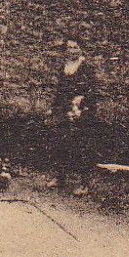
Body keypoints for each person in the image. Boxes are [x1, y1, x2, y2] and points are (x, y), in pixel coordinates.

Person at [48, 36, 100, 195]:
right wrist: (53, 108)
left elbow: (93, 91)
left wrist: (81, 101)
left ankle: (84, 183)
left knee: (81, 146)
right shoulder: (64, 67)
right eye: (69, 48)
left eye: (75, 47)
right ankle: (60, 177)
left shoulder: (86, 68)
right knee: (61, 143)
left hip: (82, 112)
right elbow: (59, 91)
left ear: (81, 49)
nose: (72, 51)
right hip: (64, 109)